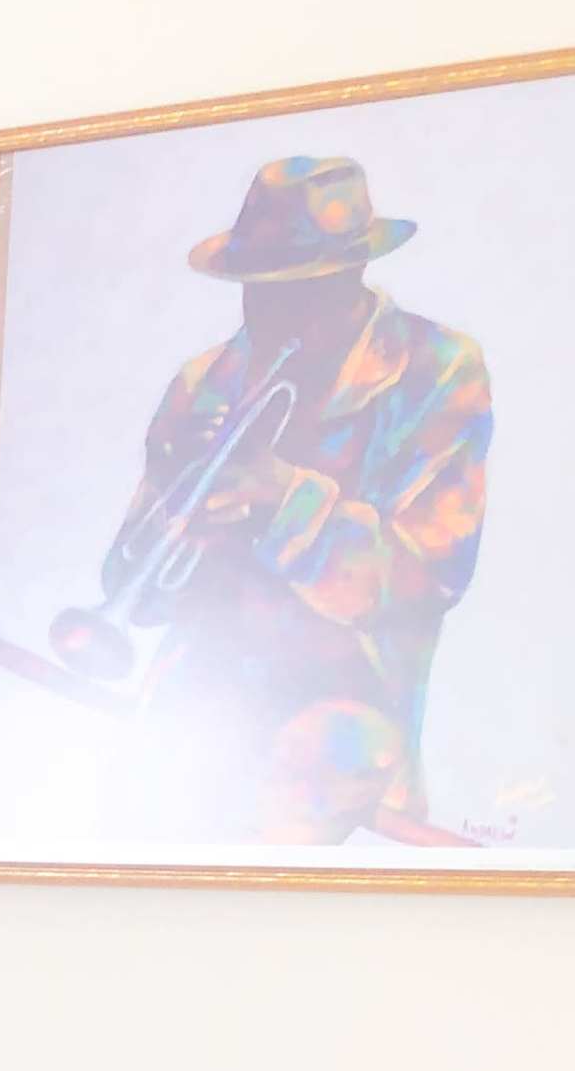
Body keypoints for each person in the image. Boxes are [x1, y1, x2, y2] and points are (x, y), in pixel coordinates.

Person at [72, 155, 491, 845]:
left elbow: (428, 577)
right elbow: (130, 590)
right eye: (255, 289)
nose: (270, 314)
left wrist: (281, 499)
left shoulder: (437, 368)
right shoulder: (207, 378)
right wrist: (179, 522)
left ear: (353, 274)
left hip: (341, 734)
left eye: (299, 291)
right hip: (196, 722)